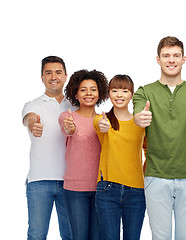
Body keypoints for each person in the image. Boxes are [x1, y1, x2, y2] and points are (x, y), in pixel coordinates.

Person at [133, 36, 186, 240]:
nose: (171, 60)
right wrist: (141, 117)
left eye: (176, 55)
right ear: (158, 59)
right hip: (156, 177)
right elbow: (137, 114)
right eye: (166, 55)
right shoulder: (144, 91)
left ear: (183, 59)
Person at [22, 56, 73, 240]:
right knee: (36, 235)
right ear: (42, 77)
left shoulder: (74, 106)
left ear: (65, 76)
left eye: (58, 72)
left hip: (70, 182)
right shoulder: (33, 104)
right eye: (48, 72)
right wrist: (33, 123)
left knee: (71, 235)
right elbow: (29, 117)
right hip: (39, 181)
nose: (53, 76)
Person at [93, 75, 147, 240]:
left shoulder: (140, 124)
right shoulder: (102, 120)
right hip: (107, 189)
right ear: (109, 94)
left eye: (124, 91)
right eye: (114, 90)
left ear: (131, 94)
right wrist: (103, 126)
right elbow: (99, 125)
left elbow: (150, 152)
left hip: (136, 191)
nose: (119, 95)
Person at [58, 69, 108, 240]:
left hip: (102, 188)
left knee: (97, 237)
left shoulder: (106, 120)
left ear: (99, 93)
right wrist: (70, 127)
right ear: (76, 94)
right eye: (83, 89)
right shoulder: (67, 117)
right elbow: (68, 129)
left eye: (93, 89)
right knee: (79, 236)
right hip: (75, 189)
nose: (89, 93)